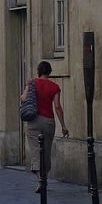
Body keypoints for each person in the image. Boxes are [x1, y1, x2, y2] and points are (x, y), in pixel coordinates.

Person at [21, 61, 69, 193]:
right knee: (46, 151)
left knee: (36, 151)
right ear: (49, 72)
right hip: (48, 122)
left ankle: (41, 180)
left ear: (38, 71)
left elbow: (24, 98)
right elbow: (57, 106)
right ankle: (44, 178)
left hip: (34, 121)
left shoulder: (31, 83)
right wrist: (63, 126)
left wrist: (24, 98)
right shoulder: (54, 87)